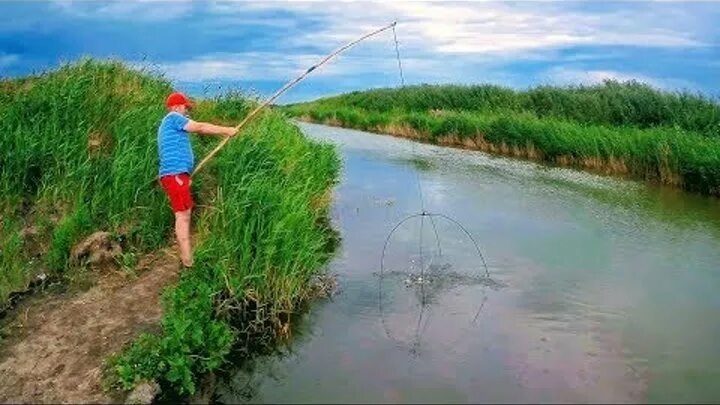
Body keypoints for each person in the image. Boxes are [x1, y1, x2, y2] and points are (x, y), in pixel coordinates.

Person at [158, 91, 237, 267]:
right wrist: (227, 131)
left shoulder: (170, 123)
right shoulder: (173, 118)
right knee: (183, 216)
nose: (187, 112)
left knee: (184, 213)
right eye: (186, 108)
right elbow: (200, 127)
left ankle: (186, 259)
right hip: (175, 175)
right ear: (177, 106)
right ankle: (188, 261)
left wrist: (186, 176)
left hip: (179, 175)